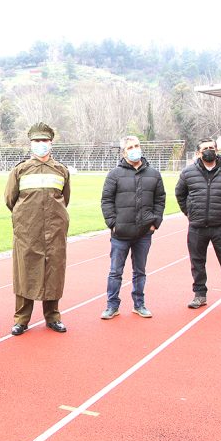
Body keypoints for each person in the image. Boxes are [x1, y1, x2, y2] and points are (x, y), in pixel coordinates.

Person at [4, 122, 70, 335]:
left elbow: (64, 199)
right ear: (31, 144)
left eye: (44, 141)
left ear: (51, 144)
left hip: (54, 231)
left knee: (53, 272)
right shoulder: (20, 170)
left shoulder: (61, 171)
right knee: (25, 273)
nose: (41, 144)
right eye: (37, 141)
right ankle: (21, 320)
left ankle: (52, 316)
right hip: (27, 232)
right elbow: (10, 199)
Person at [175, 137, 221, 311]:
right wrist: (190, 212)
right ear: (198, 153)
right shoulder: (188, 172)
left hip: (220, 226)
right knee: (197, 262)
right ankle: (199, 295)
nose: (208, 150)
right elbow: (180, 194)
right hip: (197, 226)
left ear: (216, 150)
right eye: (205, 148)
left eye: (211, 147)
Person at [100, 135, 166, 320]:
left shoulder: (153, 174)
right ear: (124, 151)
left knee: (140, 271)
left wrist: (155, 222)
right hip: (120, 233)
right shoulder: (114, 174)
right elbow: (106, 201)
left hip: (144, 233)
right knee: (115, 272)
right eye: (130, 147)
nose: (135, 149)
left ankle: (139, 304)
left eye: (137, 146)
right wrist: (113, 223)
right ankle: (112, 306)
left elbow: (160, 200)